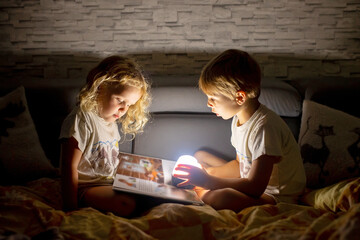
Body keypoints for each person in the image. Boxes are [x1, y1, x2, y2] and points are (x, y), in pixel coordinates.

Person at [173, 49, 306, 212]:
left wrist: (207, 181)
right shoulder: (239, 119)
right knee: (200, 156)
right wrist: (208, 172)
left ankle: (201, 193)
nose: (208, 104)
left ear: (240, 98)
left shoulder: (264, 127)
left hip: (274, 196)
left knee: (222, 198)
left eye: (213, 98)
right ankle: (202, 184)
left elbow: (255, 187)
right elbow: (238, 165)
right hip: (248, 179)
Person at [59, 55, 151, 217]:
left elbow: (106, 156)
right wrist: (70, 207)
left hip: (110, 183)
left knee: (148, 194)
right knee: (126, 204)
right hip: (86, 187)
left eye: (129, 104)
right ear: (100, 86)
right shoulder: (82, 118)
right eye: (120, 100)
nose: (123, 110)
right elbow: (68, 165)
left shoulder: (111, 121)